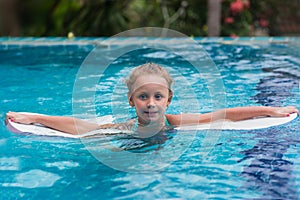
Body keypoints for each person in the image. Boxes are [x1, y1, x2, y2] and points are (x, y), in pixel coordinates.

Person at [5, 63, 299, 135]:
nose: (151, 103)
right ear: (132, 101)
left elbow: (224, 114)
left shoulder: (175, 122)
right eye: (143, 97)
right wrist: (36, 118)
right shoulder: (127, 127)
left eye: (157, 96)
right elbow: (83, 127)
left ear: (168, 100)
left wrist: (270, 110)